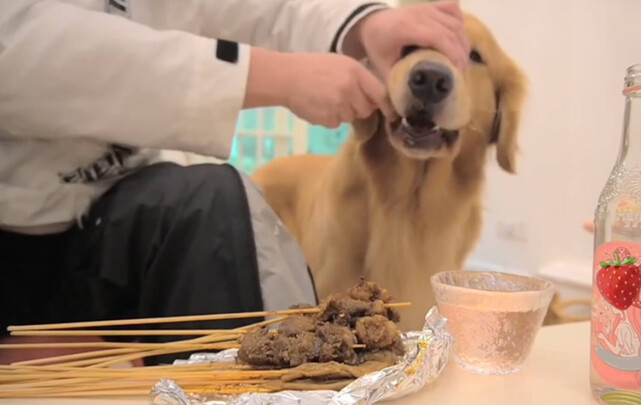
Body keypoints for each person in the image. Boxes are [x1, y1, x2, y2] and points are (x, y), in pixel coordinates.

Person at [0, 0, 470, 365]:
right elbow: (17, 44)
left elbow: (260, 7)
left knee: (215, 202)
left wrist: (364, 25)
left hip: (108, 218)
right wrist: (270, 77)